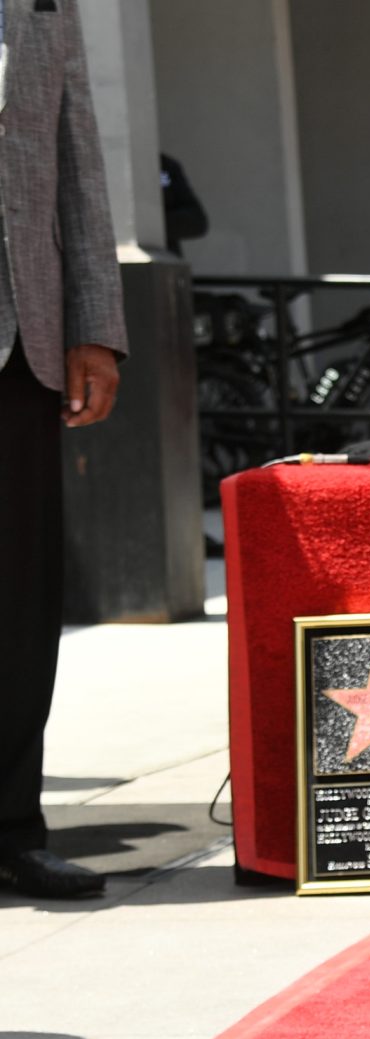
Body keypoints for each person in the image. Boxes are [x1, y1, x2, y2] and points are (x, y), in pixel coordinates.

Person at [0, 10, 128, 900]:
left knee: (17, 596)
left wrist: (95, 327)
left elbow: (78, 163)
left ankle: (13, 830)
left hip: (24, 348)